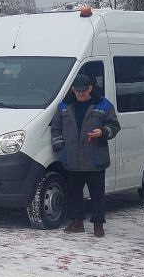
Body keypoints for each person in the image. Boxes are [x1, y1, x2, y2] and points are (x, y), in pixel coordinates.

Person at [50, 73, 121, 236]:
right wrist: (60, 148)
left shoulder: (103, 105)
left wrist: (103, 132)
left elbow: (114, 126)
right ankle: (77, 222)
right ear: (73, 90)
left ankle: (98, 224)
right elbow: (56, 128)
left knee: (97, 194)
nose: (80, 94)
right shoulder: (63, 106)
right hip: (72, 159)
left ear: (90, 88)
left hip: (95, 159)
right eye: (77, 91)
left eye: (83, 90)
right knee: (74, 193)